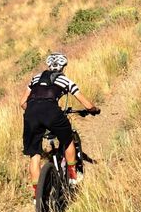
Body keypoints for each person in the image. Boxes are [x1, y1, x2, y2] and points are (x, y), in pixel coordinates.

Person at [20, 52, 99, 199]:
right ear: (63, 66)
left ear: (48, 65)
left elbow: (22, 102)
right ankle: (73, 176)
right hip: (51, 112)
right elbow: (86, 104)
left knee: (34, 155)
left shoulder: (35, 78)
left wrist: (35, 113)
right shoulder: (65, 80)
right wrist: (94, 110)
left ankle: (37, 195)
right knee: (67, 139)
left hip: (30, 113)